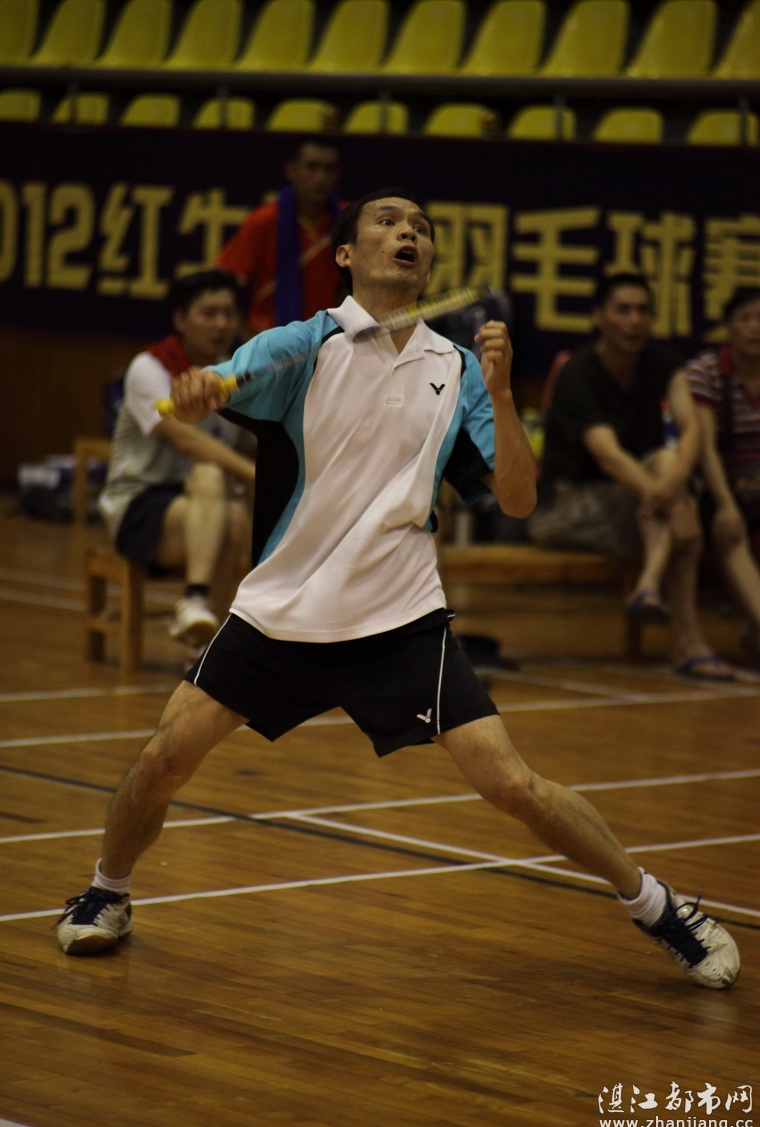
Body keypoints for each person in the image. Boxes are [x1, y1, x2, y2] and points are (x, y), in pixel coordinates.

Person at [57, 192, 739, 991]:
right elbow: (224, 379)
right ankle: (107, 891)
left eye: (420, 227)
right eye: (387, 222)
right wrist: (208, 386)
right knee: (162, 759)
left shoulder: (456, 369)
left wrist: (504, 395)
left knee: (512, 784)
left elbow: (519, 500)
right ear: (345, 254)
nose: (407, 232)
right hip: (283, 610)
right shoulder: (304, 344)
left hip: (398, 617)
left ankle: (660, 908)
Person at [528, 272, 735, 681]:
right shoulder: (578, 373)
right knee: (682, 519)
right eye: (623, 310)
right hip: (565, 506)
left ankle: (648, 587)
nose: (634, 320)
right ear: (598, 317)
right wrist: (674, 502)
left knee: (666, 461)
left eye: (643, 311)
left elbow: (692, 429)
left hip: (635, 500)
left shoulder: (662, 362)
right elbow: (609, 457)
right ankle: (688, 643)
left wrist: (673, 484)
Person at [99, 268, 256, 650]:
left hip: (206, 505)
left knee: (233, 510)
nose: (221, 324)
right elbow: (185, 439)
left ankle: (200, 631)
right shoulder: (149, 368)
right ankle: (201, 624)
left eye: (228, 314)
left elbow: (254, 442)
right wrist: (255, 474)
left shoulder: (235, 374)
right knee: (213, 479)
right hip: (139, 504)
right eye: (209, 313)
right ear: (180, 320)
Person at [686, 286, 760, 665]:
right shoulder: (707, 371)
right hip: (718, 485)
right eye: (745, 319)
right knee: (729, 526)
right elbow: (707, 449)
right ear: (728, 327)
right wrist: (727, 504)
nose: (755, 328)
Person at [215, 137, 342, 335]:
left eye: (329, 169)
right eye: (311, 167)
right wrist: (250, 340)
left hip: (336, 339)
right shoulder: (264, 220)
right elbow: (219, 281)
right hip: (273, 341)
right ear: (291, 170)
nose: (320, 177)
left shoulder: (349, 220)